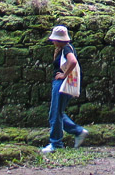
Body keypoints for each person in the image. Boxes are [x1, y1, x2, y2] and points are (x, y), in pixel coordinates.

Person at [41, 25, 89, 153]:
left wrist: (64, 74)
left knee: (55, 113)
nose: (52, 42)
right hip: (61, 83)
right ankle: (78, 131)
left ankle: (56, 143)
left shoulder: (66, 48)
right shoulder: (64, 48)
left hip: (61, 83)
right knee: (57, 113)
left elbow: (72, 62)